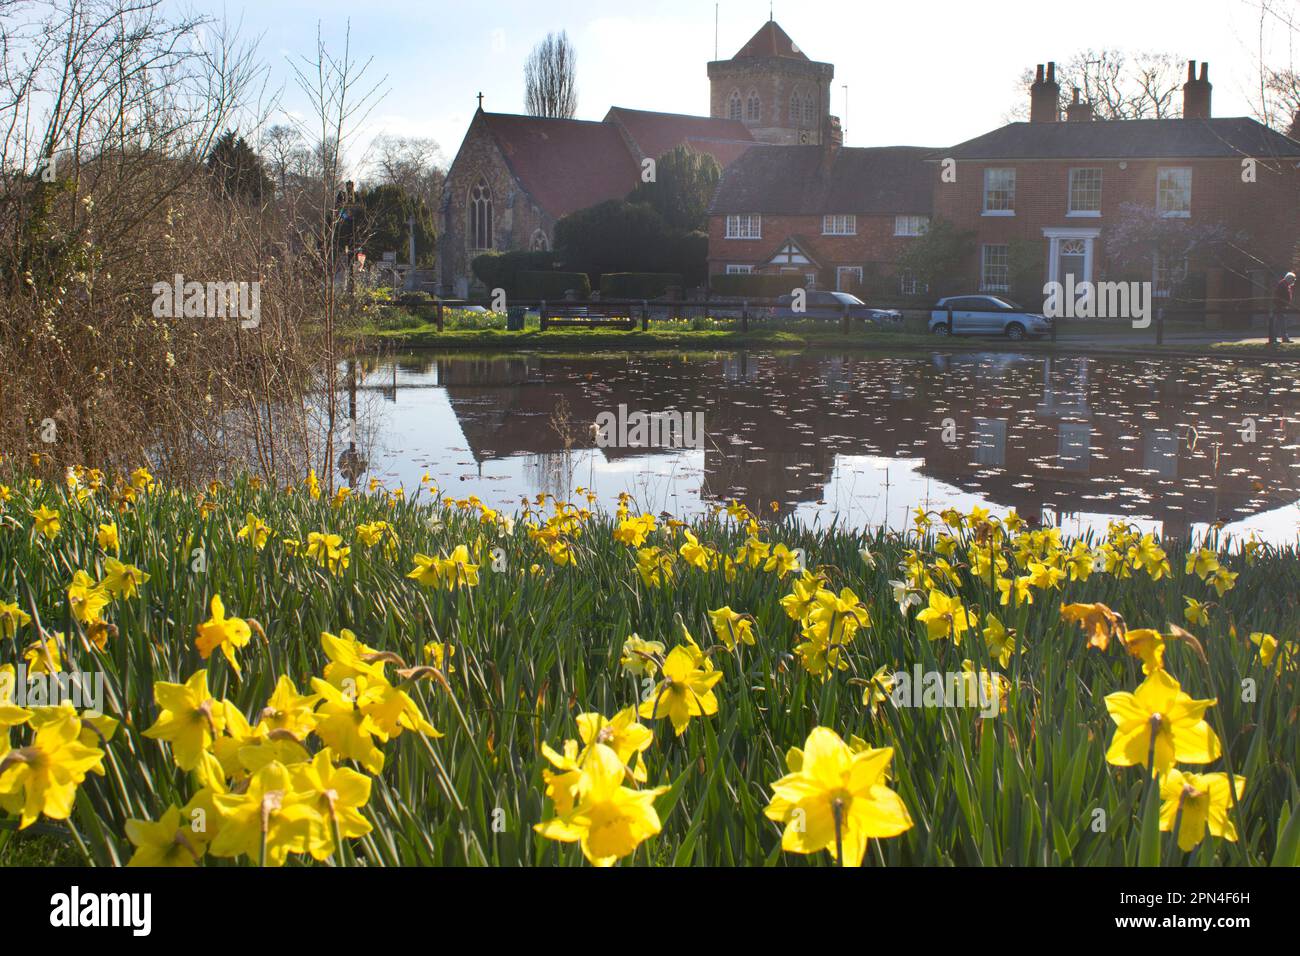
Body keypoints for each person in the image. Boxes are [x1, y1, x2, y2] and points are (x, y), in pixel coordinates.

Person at [1271, 271, 1296, 345]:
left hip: (1282, 306)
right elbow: (1279, 296)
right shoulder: (1283, 284)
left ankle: (1281, 338)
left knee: (1281, 322)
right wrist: (1282, 305)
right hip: (1280, 306)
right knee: (1280, 322)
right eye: (1293, 279)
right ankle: (1279, 338)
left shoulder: (1284, 284)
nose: (1293, 281)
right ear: (1289, 278)